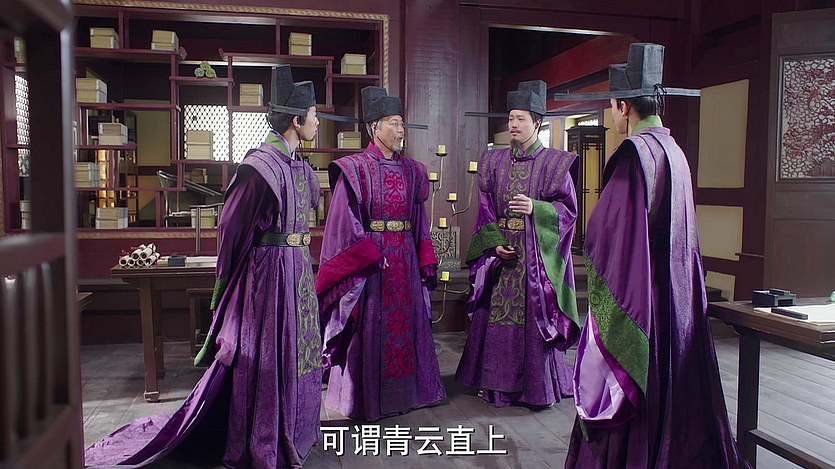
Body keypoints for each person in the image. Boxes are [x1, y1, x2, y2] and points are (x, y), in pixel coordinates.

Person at [84, 65, 325, 468]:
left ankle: (295, 429)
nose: (318, 121)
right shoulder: (259, 168)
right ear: (296, 121)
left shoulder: (298, 165)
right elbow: (231, 228)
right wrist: (230, 281)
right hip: (269, 279)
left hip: (298, 272)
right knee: (269, 359)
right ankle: (264, 436)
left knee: (297, 355)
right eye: (314, 115)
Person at [553, 43, 749, 467]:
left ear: (622, 107)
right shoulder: (675, 152)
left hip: (644, 299)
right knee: (674, 390)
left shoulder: (634, 155)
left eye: (612, 107)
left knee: (639, 391)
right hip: (678, 299)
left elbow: (608, 237)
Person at [316, 86, 445, 421]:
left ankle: (412, 393)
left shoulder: (413, 171)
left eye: (402, 123)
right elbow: (344, 221)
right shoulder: (354, 169)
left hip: (405, 259)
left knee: (408, 325)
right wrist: (369, 254)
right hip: (374, 263)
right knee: (372, 325)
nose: (401, 130)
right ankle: (370, 400)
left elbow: (419, 220)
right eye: (393, 123)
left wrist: (424, 258)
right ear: (375, 127)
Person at [455, 80, 580, 408]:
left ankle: (534, 389)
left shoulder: (555, 164)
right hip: (503, 255)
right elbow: (485, 212)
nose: (513, 124)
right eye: (511, 118)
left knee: (533, 320)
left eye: (521, 119)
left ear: (537, 123)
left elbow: (568, 212)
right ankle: (496, 386)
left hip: (535, 259)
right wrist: (494, 246)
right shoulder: (493, 162)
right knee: (497, 318)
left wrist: (536, 208)